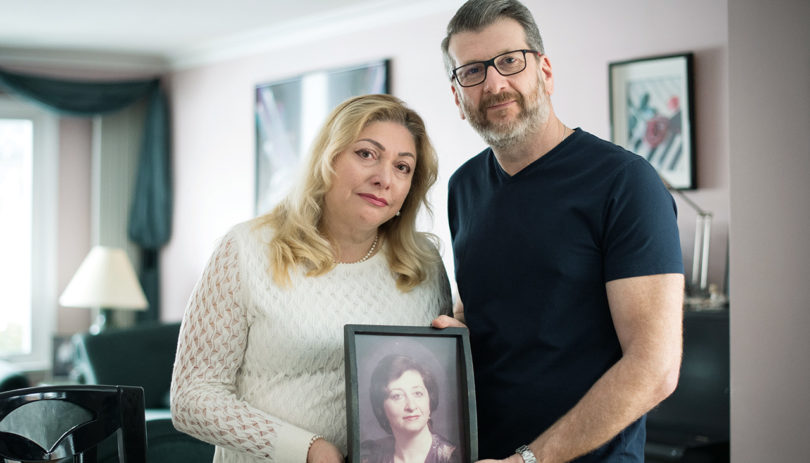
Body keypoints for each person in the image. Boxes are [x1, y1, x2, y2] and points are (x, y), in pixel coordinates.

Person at [431, 1, 685, 462]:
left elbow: (655, 367)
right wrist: (457, 334)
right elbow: (501, 306)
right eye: (471, 71)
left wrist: (529, 460)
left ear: (544, 71)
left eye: (509, 61)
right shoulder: (462, 187)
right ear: (457, 97)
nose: (494, 83)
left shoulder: (625, 182)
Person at [171, 94, 452, 463]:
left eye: (403, 167)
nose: (384, 178)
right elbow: (192, 398)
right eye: (366, 154)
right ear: (327, 158)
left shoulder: (424, 265)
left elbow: (432, 383)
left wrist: (451, 350)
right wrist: (307, 450)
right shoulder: (246, 249)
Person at [361, 354, 460, 463]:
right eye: (397, 396)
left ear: (430, 399)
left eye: (418, 393)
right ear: (381, 408)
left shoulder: (452, 458)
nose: (411, 406)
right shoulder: (368, 456)